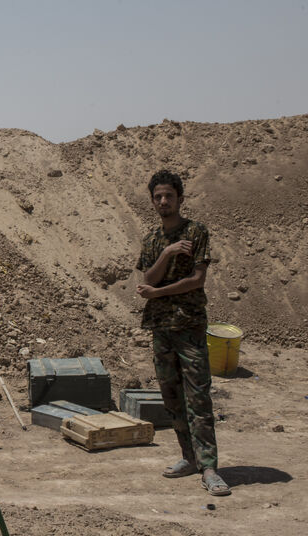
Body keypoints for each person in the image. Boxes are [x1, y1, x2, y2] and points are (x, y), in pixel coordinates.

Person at [135, 170, 230, 497]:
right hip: (161, 329)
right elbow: (147, 277)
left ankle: (210, 468)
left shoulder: (196, 232)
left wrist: (158, 293)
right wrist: (168, 253)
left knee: (198, 397)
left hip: (188, 326)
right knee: (172, 397)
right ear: (153, 201)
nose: (163, 201)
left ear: (180, 198)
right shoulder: (151, 240)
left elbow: (196, 280)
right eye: (158, 197)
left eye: (169, 196)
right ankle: (188, 458)